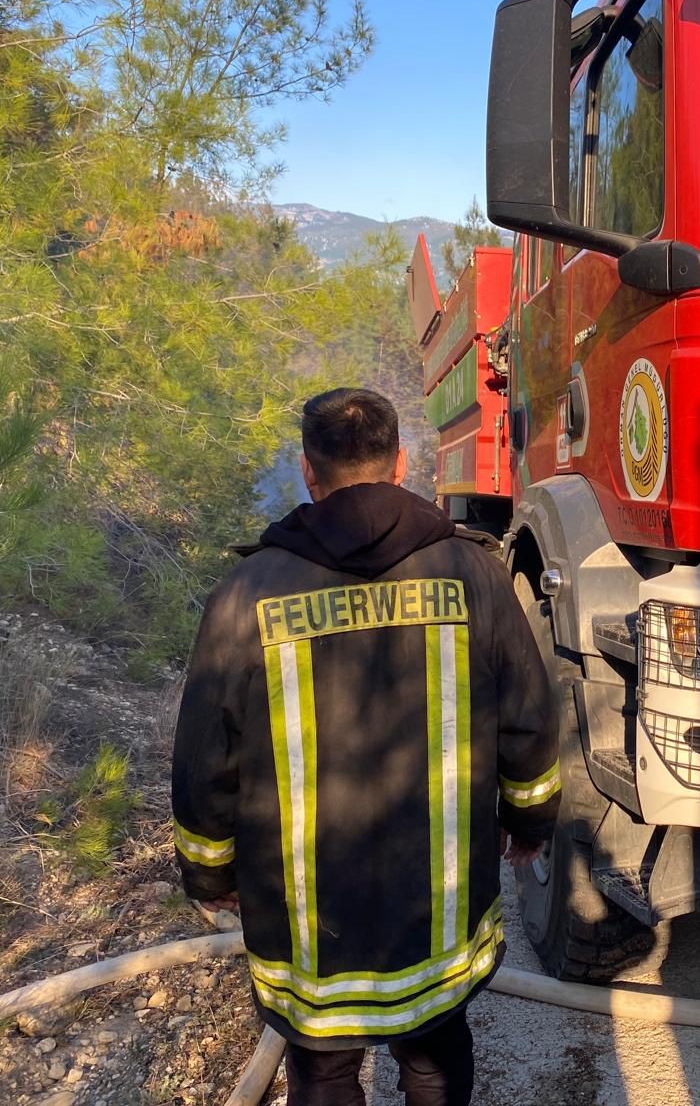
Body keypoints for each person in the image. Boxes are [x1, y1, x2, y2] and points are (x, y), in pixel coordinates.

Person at [171, 387, 559, 1106]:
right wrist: (530, 819)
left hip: (306, 916)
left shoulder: (247, 590)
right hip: (437, 905)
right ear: (402, 462)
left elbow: (205, 760)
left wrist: (209, 872)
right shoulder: (471, 571)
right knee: (435, 1050)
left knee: (322, 1068)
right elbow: (529, 713)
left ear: (306, 471)